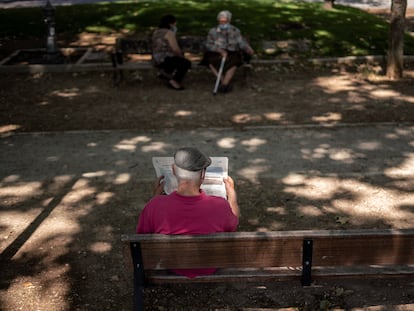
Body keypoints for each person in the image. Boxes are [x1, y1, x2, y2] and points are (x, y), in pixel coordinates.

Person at [136, 147, 239, 278]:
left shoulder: (154, 205)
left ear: (173, 170)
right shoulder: (220, 205)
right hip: (209, 266)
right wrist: (232, 196)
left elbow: (143, 236)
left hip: (170, 265)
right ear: (203, 175)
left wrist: (155, 197)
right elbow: (232, 227)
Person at [201, 10, 255, 93]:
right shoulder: (213, 31)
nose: (223, 23)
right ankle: (223, 82)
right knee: (208, 60)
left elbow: (241, 42)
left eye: (225, 21)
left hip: (231, 52)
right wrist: (219, 50)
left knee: (235, 62)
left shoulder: (235, 30)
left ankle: (224, 85)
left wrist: (248, 48)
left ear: (229, 20)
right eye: (221, 21)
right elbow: (208, 44)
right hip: (216, 52)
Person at [151, 14, 191, 90]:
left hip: (156, 59)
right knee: (186, 63)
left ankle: (165, 74)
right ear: (171, 23)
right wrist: (181, 56)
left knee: (176, 61)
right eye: (175, 23)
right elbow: (175, 49)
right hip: (165, 59)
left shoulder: (156, 32)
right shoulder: (169, 33)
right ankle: (174, 81)